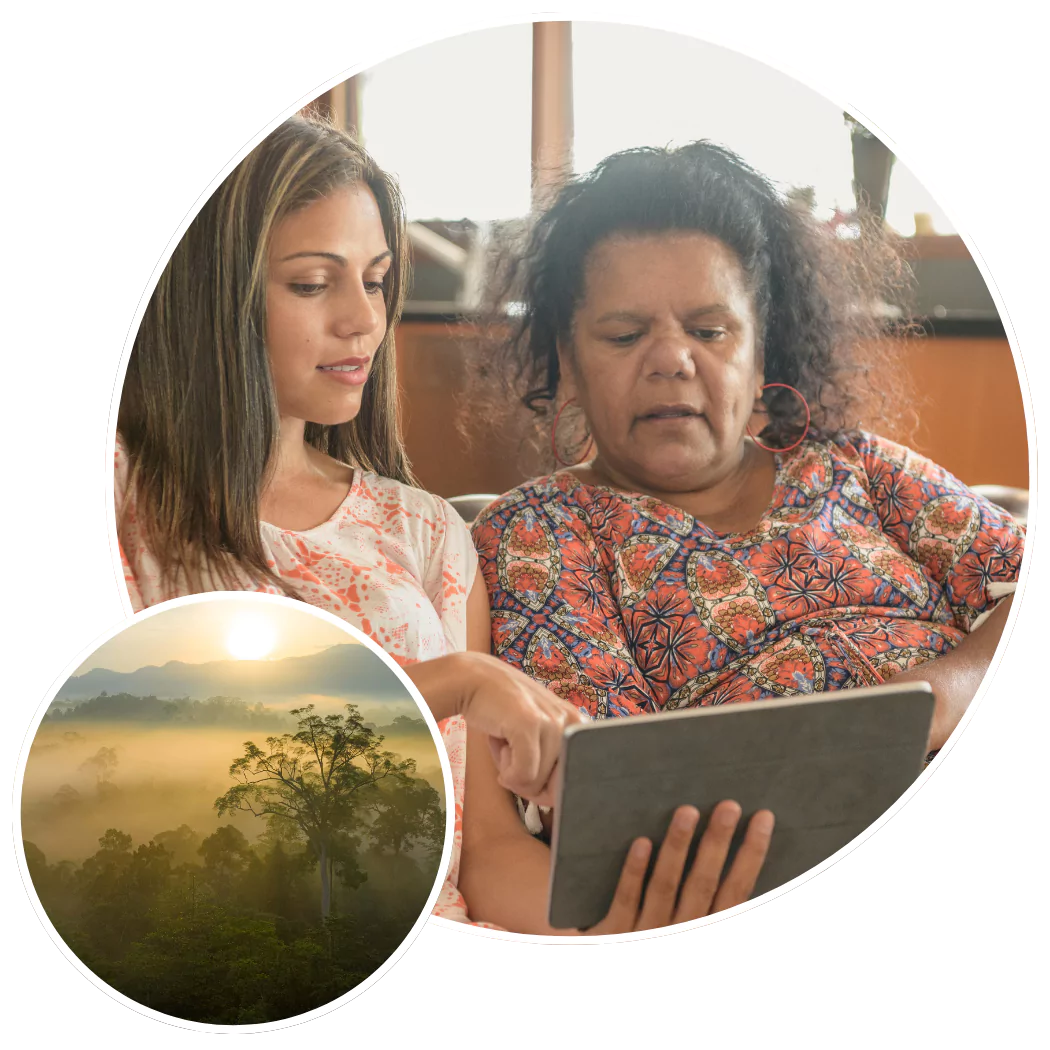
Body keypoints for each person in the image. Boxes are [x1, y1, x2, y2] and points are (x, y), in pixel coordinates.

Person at [113, 117, 769, 932]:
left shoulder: (421, 531)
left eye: (378, 280)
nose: (363, 320)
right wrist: (452, 684)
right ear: (212, 293)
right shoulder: (125, 498)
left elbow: (487, 857)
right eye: (314, 284)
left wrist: (618, 928)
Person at [461, 141, 1024, 927]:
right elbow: (608, 793)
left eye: (711, 330)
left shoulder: (859, 466)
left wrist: (940, 695)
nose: (671, 362)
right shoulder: (538, 534)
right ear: (569, 360)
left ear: (763, 353)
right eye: (624, 335)